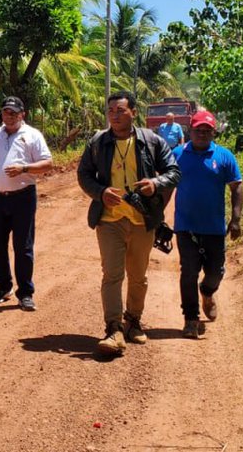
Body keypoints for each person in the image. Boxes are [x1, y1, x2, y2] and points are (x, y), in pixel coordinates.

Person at [77, 91, 181, 357]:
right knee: (112, 274)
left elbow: (174, 171)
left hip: (141, 218)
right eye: (111, 110)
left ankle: (133, 320)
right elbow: (84, 174)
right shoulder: (98, 142)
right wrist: (100, 193)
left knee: (138, 275)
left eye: (120, 110)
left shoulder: (152, 141)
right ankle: (113, 329)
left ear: (134, 112)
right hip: (109, 219)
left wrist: (155, 183)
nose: (114, 114)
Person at [0, 96, 53, 310]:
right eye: (6, 112)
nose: (9, 116)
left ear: (22, 114)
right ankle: (3, 286)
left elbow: (48, 163)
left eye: (14, 112)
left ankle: (25, 292)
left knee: (23, 246)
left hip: (23, 196)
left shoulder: (32, 135)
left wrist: (24, 168)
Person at [172, 109, 243, 339]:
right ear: (189, 131)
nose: (202, 134)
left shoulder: (224, 157)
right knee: (188, 272)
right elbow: (165, 185)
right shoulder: (177, 154)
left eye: (207, 131)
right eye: (198, 130)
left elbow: (237, 187)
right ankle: (190, 319)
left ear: (213, 133)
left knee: (215, 272)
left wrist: (235, 219)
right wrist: (155, 216)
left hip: (214, 228)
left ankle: (207, 292)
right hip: (186, 227)